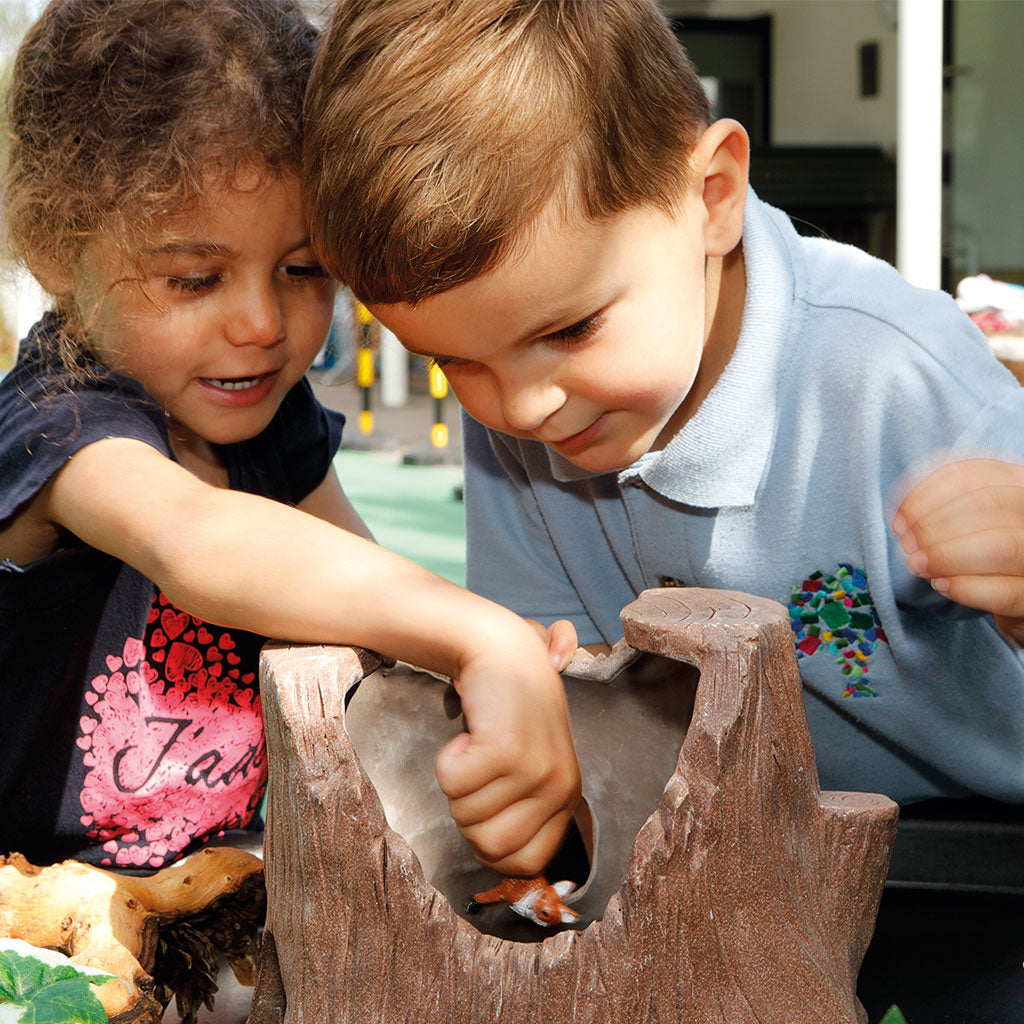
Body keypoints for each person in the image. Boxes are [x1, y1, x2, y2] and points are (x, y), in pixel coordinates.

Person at [302, 0, 1024, 808]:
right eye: (455, 362)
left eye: (572, 329)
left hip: (977, 855)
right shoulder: (523, 409)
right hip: (730, 856)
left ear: (711, 196)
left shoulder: (894, 374)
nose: (525, 406)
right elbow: (567, 696)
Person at [0, 0, 580, 874]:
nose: (264, 324)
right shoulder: (59, 421)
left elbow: (356, 588)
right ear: (56, 244)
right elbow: (194, 539)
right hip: (38, 924)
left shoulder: (271, 422)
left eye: (304, 269)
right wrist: (475, 632)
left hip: (216, 886)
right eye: (196, 278)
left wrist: (489, 676)